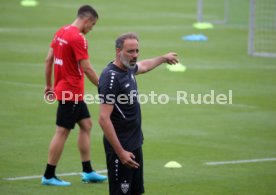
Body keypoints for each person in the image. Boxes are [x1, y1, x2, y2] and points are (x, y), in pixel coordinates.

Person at [98, 32, 178, 195]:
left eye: (136, 51)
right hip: (121, 148)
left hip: (135, 144)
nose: (134, 55)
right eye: (130, 51)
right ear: (118, 51)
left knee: (135, 192)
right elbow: (103, 118)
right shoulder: (110, 78)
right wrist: (120, 153)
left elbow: (144, 66)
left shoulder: (128, 68)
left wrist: (163, 58)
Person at [42, 5, 107, 186]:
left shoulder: (61, 31)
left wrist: (49, 85)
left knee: (86, 124)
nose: (90, 30)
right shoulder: (78, 38)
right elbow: (87, 68)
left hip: (66, 90)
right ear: (87, 20)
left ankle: (87, 171)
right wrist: (104, 87)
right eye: (92, 25)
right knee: (62, 131)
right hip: (71, 91)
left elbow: (48, 59)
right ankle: (48, 175)